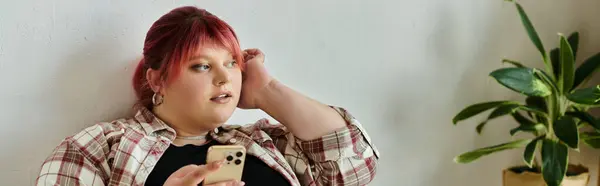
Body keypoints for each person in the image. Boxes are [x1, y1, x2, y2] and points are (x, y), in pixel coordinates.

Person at [35, 6, 379, 186]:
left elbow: (354, 166)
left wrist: (267, 91)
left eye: (231, 63)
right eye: (201, 66)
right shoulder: (98, 148)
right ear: (157, 79)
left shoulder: (266, 143)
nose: (224, 76)